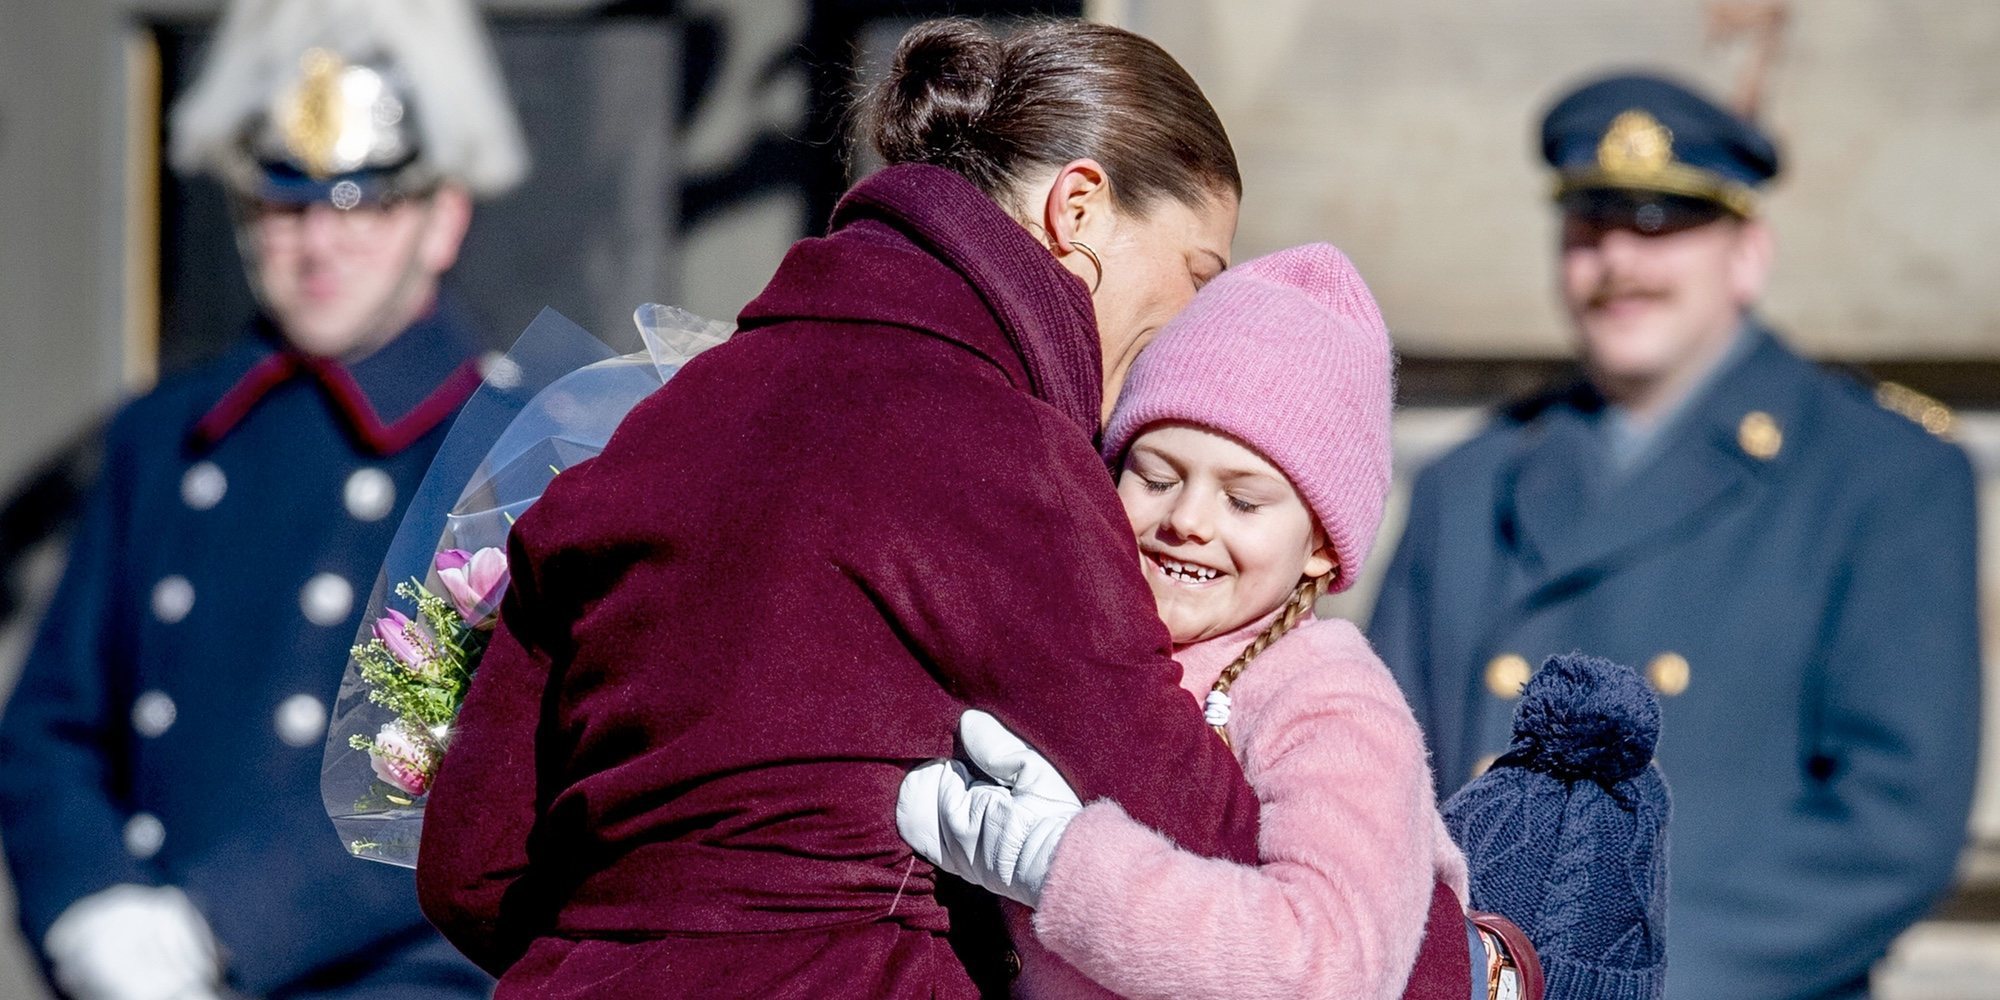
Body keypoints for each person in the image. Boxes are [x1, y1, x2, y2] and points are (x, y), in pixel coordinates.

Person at [417, 18, 1260, 998]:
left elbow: (468, 867)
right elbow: (1187, 827)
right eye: (1198, 274)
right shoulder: (998, 444)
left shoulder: (653, 426)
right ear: (1077, 208)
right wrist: (1463, 962)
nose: (1197, 329)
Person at [1368, 71, 1981, 1000]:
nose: (1620, 263)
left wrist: (1610, 976)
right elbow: (1380, 772)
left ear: (1749, 254)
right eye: (1591, 228)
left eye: (1662, 225)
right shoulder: (1470, 481)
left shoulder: (1885, 475)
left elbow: (1891, 827)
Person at [0, 1, 527, 998]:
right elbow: (51, 724)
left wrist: (219, 924)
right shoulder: (165, 432)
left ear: (442, 216)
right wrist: (93, 907)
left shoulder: (509, 445)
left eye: (363, 203)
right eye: (285, 205)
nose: (319, 244)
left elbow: (455, 765)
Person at [896, 243, 1478, 1000]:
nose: (1187, 521)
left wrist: (1060, 864)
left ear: (1322, 546)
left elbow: (1328, 964)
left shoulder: (1332, 702)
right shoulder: (1080, 626)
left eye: (1243, 500)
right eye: (1158, 476)